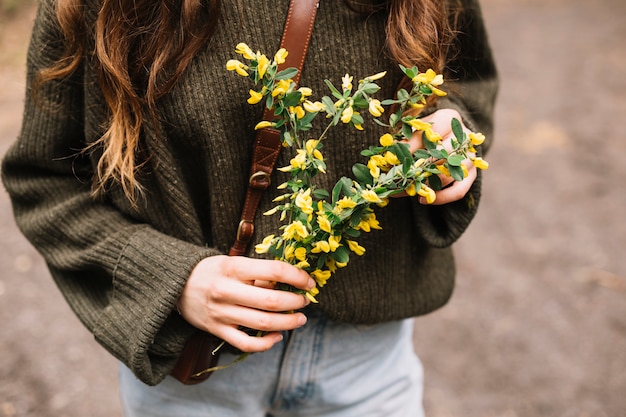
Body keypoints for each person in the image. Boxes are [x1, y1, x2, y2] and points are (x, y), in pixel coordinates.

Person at [1, 0, 497, 415]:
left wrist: (449, 132)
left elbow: (466, 80)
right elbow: (44, 183)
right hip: (197, 373)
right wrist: (170, 280)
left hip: (368, 366)